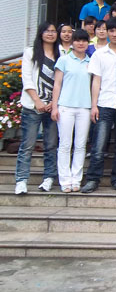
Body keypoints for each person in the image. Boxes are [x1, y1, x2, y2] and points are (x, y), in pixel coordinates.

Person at [81, 18, 116, 194]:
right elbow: (96, 81)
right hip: (104, 103)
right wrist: (94, 105)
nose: (115, 34)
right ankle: (92, 179)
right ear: (107, 32)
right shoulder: (99, 54)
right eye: (112, 31)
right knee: (98, 146)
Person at [14, 22, 59, 195]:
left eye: (53, 31)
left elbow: (61, 81)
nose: (50, 34)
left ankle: (48, 178)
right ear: (41, 33)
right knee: (27, 144)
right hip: (32, 106)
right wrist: (37, 101)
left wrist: (53, 102)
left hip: (52, 107)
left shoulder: (60, 53)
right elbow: (27, 78)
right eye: (47, 31)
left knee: (51, 144)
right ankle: (21, 180)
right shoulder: (30, 52)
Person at [51, 29, 91, 192]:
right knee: (65, 144)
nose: (81, 43)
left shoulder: (91, 61)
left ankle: (76, 179)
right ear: (72, 42)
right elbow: (57, 84)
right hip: (65, 106)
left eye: (84, 40)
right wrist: (54, 107)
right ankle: (65, 180)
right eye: (77, 40)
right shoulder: (64, 60)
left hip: (85, 107)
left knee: (80, 145)